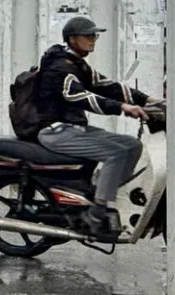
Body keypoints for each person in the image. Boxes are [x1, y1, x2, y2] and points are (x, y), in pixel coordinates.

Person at [35, 16, 160, 233]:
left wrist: (148, 100)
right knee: (115, 154)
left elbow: (108, 86)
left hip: (74, 129)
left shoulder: (77, 64)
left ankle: (97, 193)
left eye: (95, 35)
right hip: (55, 131)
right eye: (89, 36)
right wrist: (122, 108)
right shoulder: (59, 68)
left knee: (132, 146)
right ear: (73, 39)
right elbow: (79, 96)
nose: (93, 40)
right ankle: (96, 213)